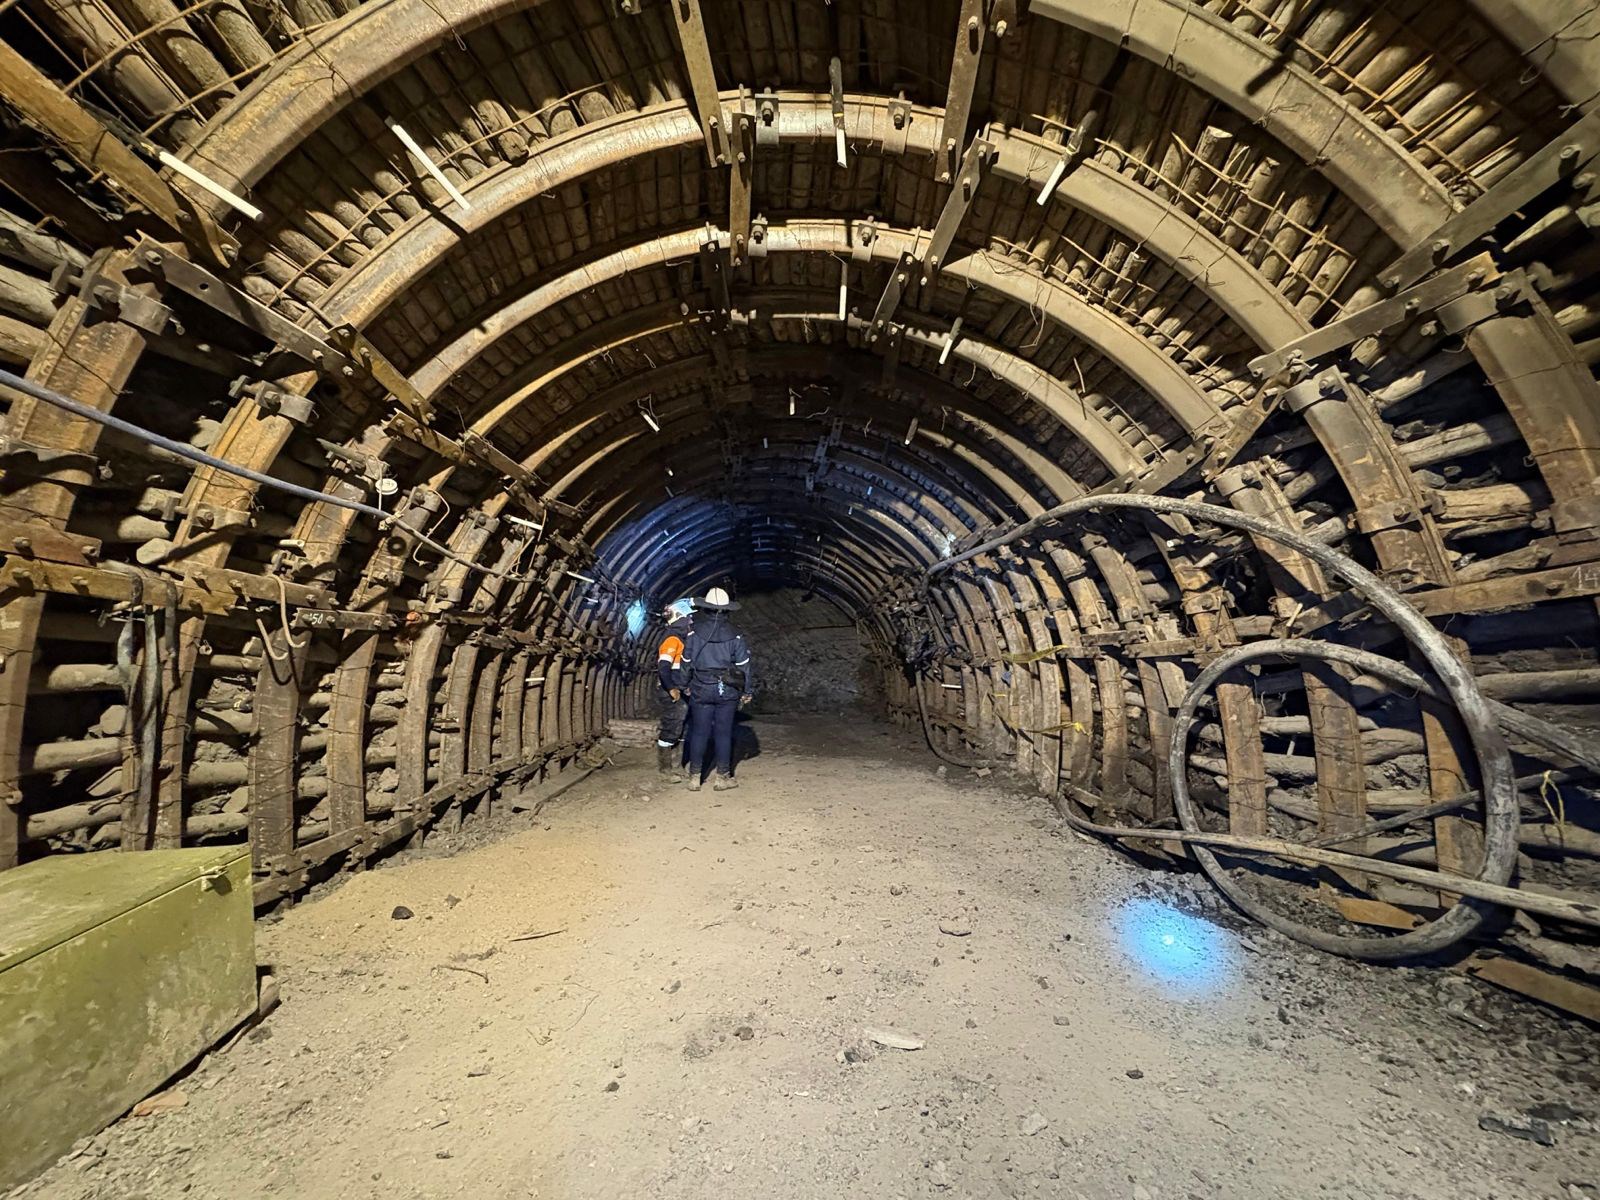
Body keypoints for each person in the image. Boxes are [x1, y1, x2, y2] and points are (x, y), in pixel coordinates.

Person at [681, 587, 754, 792]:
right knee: (723, 733)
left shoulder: (693, 632)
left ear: (706, 608)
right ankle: (722, 778)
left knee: (699, 732)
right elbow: (745, 667)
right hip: (727, 690)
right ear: (727, 610)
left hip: (701, 688)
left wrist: (683, 685)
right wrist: (747, 691)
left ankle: (695, 778)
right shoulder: (736, 635)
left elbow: (685, 662)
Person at [654, 598, 694, 779]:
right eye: (688, 617)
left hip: (680, 689)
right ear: (679, 617)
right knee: (672, 726)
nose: (690, 621)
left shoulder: (682, 640)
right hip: (670, 690)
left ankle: (677, 766)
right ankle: (665, 769)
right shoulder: (672, 639)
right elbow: (663, 667)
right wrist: (671, 688)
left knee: (682, 727)